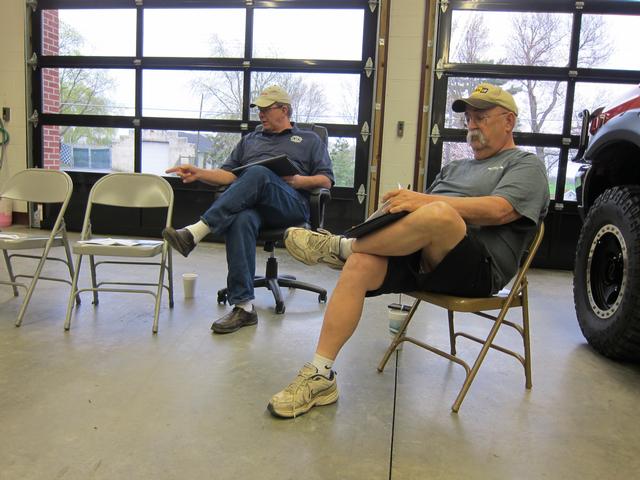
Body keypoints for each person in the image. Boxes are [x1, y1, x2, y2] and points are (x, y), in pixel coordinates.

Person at [267, 82, 550, 418]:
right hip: (425, 260)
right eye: (469, 118)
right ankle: (320, 373)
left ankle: (339, 246)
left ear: (509, 121)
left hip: (477, 271)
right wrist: (399, 206)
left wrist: (424, 201)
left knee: (439, 213)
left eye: (482, 116)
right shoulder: (454, 168)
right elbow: (422, 213)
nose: (472, 124)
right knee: (361, 264)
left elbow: (500, 210)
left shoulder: (524, 165)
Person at [163, 85, 334, 334]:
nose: (260, 114)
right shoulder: (251, 140)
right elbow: (228, 175)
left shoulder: (309, 140)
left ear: (284, 110)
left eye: (266, 109)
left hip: (290, 204)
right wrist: (199, 173)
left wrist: (299, 181)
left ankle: (196, 232)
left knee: (257, 172)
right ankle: (244, 307)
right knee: (241, 218)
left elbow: (326, 180)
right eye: (259, 110)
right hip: (254, 205)